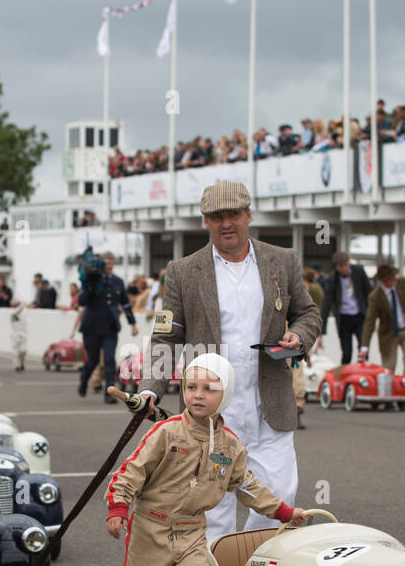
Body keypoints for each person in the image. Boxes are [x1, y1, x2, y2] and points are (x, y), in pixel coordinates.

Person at [106, 353, 307, 566]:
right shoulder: (165, 433)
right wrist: (119, 507)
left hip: (192, 531)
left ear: (225, 394)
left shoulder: (229, 446)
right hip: (151, 528)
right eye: (191, 387)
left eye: (209, 389)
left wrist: (284, 512)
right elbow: (133, 471)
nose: (198, 395)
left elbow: (248, 486)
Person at [138, 181, 321, 541]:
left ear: (248, 215)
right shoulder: (182, 271)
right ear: (205, 222)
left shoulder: (281, 261)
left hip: (271, 405)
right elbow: (165, 336)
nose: (226, 224)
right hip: (211, 412)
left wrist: (299, 337)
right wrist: (149, 389)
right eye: (216, 217)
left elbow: (309, 314)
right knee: (213, 508)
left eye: (233, 214)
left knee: (279, 499)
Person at [358, 264, 405, 403]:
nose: (393, 281)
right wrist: (364, 346)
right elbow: (369, 322)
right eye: (389, 279)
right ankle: (388, 396)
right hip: (388, 334)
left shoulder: (402, 283)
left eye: (393, 277)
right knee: (388, 366)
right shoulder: (375, 296)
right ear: (383, 281)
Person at [76, 251, 137, 404]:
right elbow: (82, 301)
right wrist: (90, 286)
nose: (110, 267)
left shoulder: (117, 281)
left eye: (112, 264)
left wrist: (133, 323)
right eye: (107, 264)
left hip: (110, 327)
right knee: (93, 361)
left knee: (110, 359)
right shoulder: (92, 279)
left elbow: (125, 303)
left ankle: (109, 392)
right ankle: (84, 380)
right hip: (92, 327)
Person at [319, 250, 371, 364]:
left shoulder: (359, 271)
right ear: (336, 267)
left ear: (349, 263)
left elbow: (369, 293)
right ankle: (345, 378)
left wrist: (371, 315)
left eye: (346, 265)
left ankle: (363, 377)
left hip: (360, 316)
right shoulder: (332, 279)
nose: (344, 268)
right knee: (346, 352)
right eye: (341, 266)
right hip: (343, 319)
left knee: (363, 350)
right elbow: (326, 304)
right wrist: (321, 332)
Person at [9, 300, 28, 372]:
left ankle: (21, 363)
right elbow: (17, 311)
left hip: (23, 334)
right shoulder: (12, 312)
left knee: (24, 351)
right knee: (15, 352)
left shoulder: (22, 314)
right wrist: (22, 305)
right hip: (15, 335)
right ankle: (16, 366)